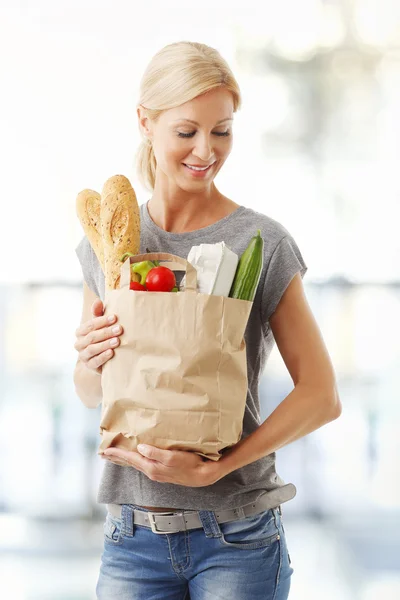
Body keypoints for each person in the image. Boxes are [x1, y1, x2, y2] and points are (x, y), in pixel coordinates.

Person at [74, 41, 342, 600]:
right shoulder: (107, 246)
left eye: (222, 131)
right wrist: (88, 357)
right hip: (131, 537)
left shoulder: (260, 244)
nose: (205, 150)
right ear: (146, 122)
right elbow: (90, 392)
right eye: (187, 131)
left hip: (237, 538)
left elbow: (321, 395)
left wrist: (215, 470)